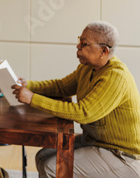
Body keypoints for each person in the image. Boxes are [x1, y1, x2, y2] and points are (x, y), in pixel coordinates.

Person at [12, 21, 140, 177]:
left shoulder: (115, 76)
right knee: (42, 156)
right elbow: (61, 87)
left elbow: (83, 113)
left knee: (51, 168)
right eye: (80, 40)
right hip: (95, 142)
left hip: (122, 155)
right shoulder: (88, 67)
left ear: (103, 51)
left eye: (84, 43)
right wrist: (29, 85)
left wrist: (32, 99)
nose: (78, 46)